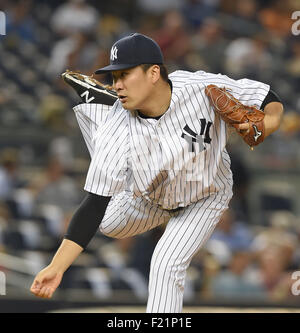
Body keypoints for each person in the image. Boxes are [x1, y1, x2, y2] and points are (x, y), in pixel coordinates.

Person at [30, 33, 284, 313]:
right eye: (114, 79)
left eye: (125, 75)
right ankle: (99, 105)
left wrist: (268, 124)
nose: (119, 84)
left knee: (166, 262)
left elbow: (267, 97)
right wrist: (57, 266)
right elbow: (93, 205)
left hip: (205, 195)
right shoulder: (118, 125)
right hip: (148, 198)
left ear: (153, 73)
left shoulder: (199, 87)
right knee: (109, 223)